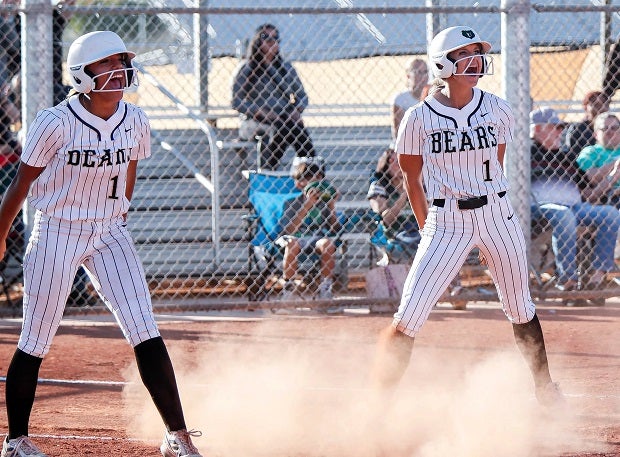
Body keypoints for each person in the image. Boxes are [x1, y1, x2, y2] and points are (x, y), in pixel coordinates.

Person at [0, 31, 203, 457]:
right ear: (81, 74)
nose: (117, 71)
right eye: (105, 64)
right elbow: (20, 185)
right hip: (57, 228)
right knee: (35, 337)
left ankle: (177, 437)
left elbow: (129, 165)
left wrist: (121, 209)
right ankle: (16, 441)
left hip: (109, 231)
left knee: (144, 328)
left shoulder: (135, 119)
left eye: (121, 62)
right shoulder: (54, 122)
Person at [371, 26, 563, 408]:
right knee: (408, 316)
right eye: (466, 54)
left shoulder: (497, 108)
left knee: (520, 306)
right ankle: (377, 405)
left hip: (496, 214)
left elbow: (497, 162)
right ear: (444, 63)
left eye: (478, 54)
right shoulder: (418, 118)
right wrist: (429, 226)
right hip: (447, 221)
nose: (476, 61)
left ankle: (545, 389)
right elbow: (412, 179)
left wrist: (486, 210)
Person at [530, 107, 620, 292]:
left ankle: (597, 278)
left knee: (609, 214)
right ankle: (567, 279)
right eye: (555, 127)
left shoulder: (566, 156)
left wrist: (613, 176)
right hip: (538, 208)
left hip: (575, 207)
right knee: (564, 216)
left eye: (561, 127)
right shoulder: (526, 154)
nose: (560, 131)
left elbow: (588, 194)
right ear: (538, 129)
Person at [231, 23, 316, 170]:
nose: (273, 42)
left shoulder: (286, 68)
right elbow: (236, 101)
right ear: (258, 42)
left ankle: (308, 170)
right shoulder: (247, 68)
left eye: (276, 38)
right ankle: (272, 170)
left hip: (283, 118)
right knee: (285, 128)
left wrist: (297, 110)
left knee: (295, 127)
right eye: (267, 38)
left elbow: (302, 96)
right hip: (256, 120)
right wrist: (258, 111)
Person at [277, 159, 339, 300]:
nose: (316, 183)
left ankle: (325, 289)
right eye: (310, 178)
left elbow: (334, 229)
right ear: (300, 184)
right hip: (295, 238)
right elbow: (290, 230)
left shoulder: (323, 203)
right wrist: (307, 205)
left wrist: (331, 205)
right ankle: (289, 289)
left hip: (316, 238)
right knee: (292, 243)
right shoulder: (291, 202)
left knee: (327, 244)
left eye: (318, 178)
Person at [367, 147, 420, 264]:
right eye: (393, 162)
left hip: (418, 228)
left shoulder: (417, 182)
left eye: (402, 160)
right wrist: (405, 194)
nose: (399, 165)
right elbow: (386, 219)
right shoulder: (379, 186)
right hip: (394, 233)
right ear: (386, 165)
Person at [561, 91, 609, 180]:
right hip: (586, 176)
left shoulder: (614, 128)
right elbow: (574, 158)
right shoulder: (578, 129)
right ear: (585, 107)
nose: (601, 108)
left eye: (605, 103)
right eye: (595, 104)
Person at [576, 112, 620, 208]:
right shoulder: (590, 152)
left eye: (614, 128)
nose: (610, 131)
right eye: (604, 128)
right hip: (608, 196)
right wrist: (615, 164)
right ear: (596, 134)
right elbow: (588, 177)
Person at [391, 58, 429, 139]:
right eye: (418, 72)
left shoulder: (434, 96)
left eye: (425, 72)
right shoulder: (400, 99)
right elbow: (399, 134)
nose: (423, 76)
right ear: (408, 76)